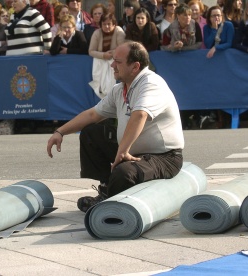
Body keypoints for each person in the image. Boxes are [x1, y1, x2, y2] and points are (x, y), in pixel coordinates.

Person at [47, 41, 184, 212]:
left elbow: (140, 115)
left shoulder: (151, 83)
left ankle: (110, 196)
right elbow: (92, 115)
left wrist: (122, 152)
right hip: (135, 152)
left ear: (135, 67)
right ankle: (106, 187)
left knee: (124, 173)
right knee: (91, 133)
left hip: (164, 157)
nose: (112, 65)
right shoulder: (121, 89)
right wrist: (60, 132)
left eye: (118, 62)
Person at [88, 13, 125, 98]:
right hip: (100, 61)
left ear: (114, 24)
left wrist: (112, 53)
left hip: (115, 61)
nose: (107, 26)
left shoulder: (119, 31)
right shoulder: (97, 33)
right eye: (104, 24)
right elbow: (91, 51)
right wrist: (103, 55)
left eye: (109, 24)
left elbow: (122, 48)